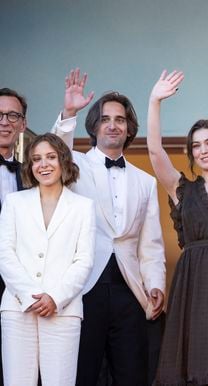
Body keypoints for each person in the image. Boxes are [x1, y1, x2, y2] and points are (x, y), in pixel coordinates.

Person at [52, 69, 166, 386]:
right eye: (105, 118)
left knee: (132, 374)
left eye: (119, 119)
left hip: (129, 290)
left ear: (129, 128)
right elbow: (56, 152)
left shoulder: (146, 182)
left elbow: (151, 244)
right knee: (81, 374)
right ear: (95, 126)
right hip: (83, 287)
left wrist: (155, 284)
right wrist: (69, 112)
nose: (113, 124)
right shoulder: (74, 165)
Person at [146, 70, 208, 385]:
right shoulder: (182, 189)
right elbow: (154, 152)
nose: (203, 150)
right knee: (189, 361)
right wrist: (155, 101)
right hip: (193, 284)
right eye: (196, 146)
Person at [0, 133, 95, 385]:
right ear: (30, 166)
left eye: (51, 157)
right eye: (36, 159)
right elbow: (5, 254)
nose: (44, 164)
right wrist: (30, 294)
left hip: (63, 310)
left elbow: (84, 260)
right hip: (17, 308)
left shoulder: (83, 207)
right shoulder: (14, 202)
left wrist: (55, 297)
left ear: (63, 161)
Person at [0, 87, 28, 385]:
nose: (5, 121)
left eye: (12, 115)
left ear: (22, 123)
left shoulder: (31, 174)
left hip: (18, 287)